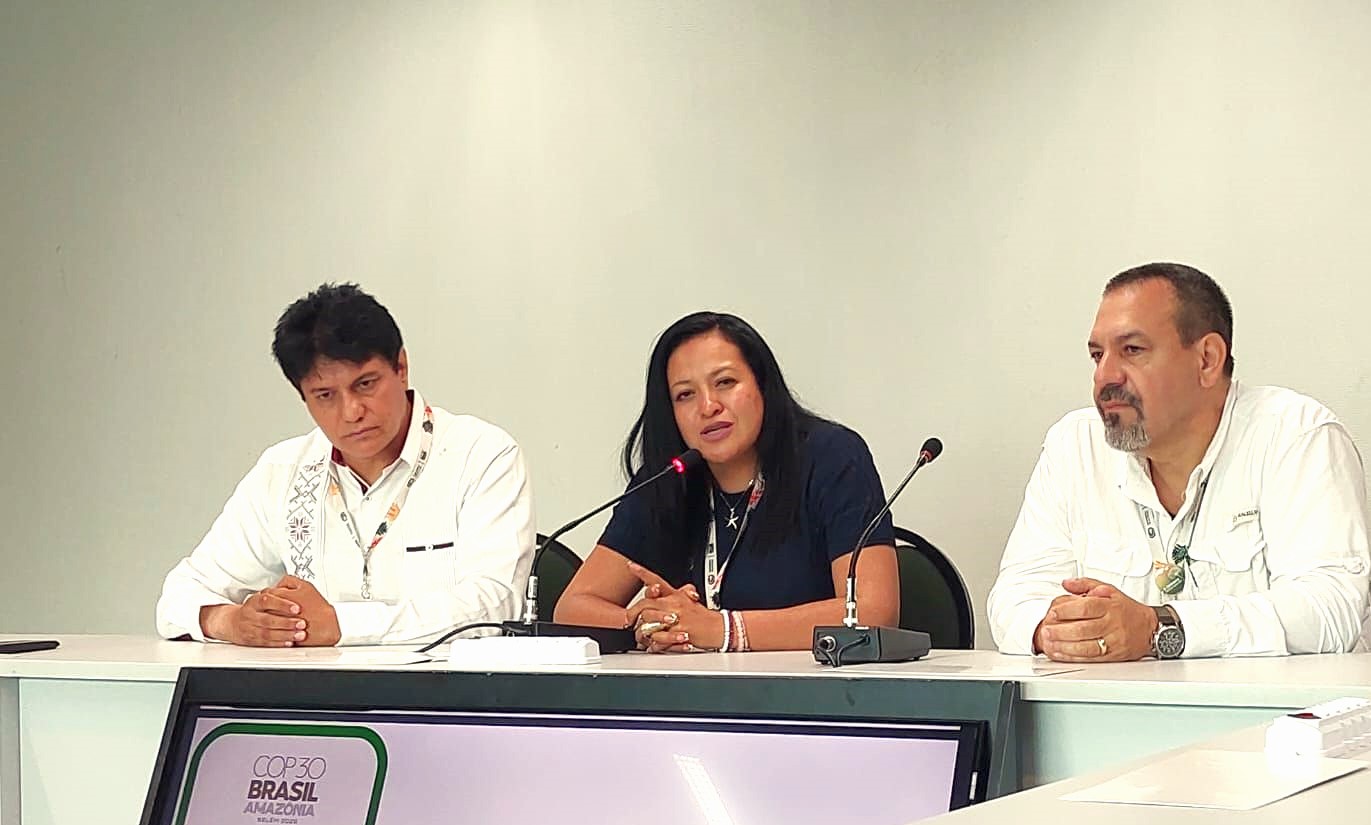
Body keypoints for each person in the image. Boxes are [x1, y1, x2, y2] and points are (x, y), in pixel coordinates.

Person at [987, 263, 1371, 662]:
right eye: (1096, 355)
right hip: (1120, 714)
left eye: (1132, 350)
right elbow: (1017, 593)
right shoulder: (1074, 445)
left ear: (1207, 359)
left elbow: (1331, 608)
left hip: (1287, 717)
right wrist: (1053, 631)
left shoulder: (1295, 436)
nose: (1105, 376)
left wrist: (1161, 629)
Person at [155, 283, 535, 646]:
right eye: (325, 395)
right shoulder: (284, 470)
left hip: (446, 701)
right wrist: (235, 622)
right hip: (319, 702)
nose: (352, 412)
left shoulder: (482, 455)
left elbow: (496, 606)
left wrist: (342, 625)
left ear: (401, 367)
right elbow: (178, 598)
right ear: (303, 397)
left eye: (365, 384)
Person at [553, 311, 899, 651]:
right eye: (685, 395)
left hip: (813, 695)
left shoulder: (831, 457)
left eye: (725, 383)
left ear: (763, 384)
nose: (708, 406)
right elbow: (572, 609)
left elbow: (873, 612)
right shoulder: (668, 477)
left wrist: (724, 630)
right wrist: (649, 623)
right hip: (692, 697)